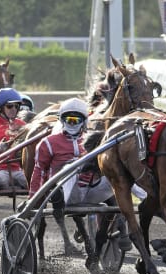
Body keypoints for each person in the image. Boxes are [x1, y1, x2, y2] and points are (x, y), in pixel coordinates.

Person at [29, 97, 131, 259]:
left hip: (90, 190)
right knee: (70, 169)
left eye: (76, 119)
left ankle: (143, 198)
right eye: (68, 119)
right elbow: (39, 171)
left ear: (84, 121)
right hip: (64, 192)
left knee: (118, 175)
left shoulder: (94, 140)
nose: (72, 123)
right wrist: (32, 197)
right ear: (62, 120)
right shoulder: (48, 143)